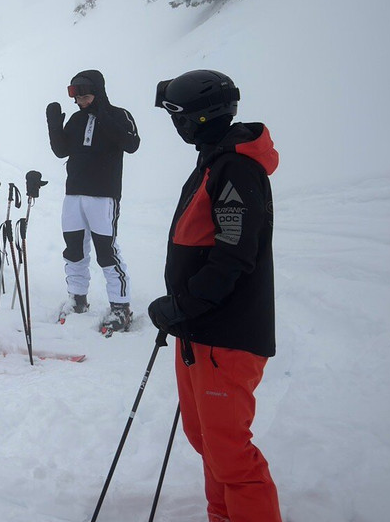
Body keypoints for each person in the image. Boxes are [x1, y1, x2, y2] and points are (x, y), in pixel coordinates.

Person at [148, 70, 282, 522]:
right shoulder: (214, 160)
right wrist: (182, 311)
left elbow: (233, 256)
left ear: (200, 118)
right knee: (206, 440)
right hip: (200, 332)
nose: (176, 125)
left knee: (228, 452)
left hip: (227, 332)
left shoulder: (235, 168)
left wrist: (182, 304)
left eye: (178, 116)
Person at [46, 69, 140, 333]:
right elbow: (61, 150)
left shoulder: (119, 115)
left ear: (97, 93)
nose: (81, 102)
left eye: (86, 97)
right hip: (74, 193)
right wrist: (54, 124)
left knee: (106, 250)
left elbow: (132, 144)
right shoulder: (76, 119)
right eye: (78, 98)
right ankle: (77, 299)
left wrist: (103, 115)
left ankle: (121, 306)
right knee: (74, 249)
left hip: (104, 195)